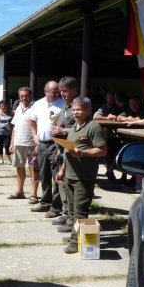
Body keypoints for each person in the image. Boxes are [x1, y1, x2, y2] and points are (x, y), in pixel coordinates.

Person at [56, 96, 106, 254]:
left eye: (79, 109)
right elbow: (68, 151)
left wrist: (82, 152)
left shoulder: (93, 127)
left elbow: (102, 150)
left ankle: (75, 243)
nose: (76, 112)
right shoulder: (74, 128)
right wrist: (62, 170)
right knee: (71, 210)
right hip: (70, 175)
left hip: (83, 177)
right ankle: (74, 236)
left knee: (80, 211)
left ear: (88, 110)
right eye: (74, 109)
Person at [29, 80, 64, 218]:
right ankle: (45, 202)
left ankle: (55, 206)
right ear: (45, 91)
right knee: (44, 174)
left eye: (58, 91)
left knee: (56, 174)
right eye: (53, 91)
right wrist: (34, 136)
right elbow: (31, 120)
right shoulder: (37, 104)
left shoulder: (62, 104)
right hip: (42, 144)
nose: (56, 94)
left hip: (56, 143)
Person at [50, 77, 79, 233]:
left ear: (75, 90)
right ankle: (66, 213)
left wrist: (63, 131)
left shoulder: (78, 106)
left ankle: (71, 218)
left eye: (65, 91)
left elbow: (82, 129)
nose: (62, 94)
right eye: (61, 91)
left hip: (73, 151)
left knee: (69, 186)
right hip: (62, 150)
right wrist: (59, 150)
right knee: (61, 184)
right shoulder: (65, 106)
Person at [9, 87, 38, 202]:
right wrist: (12, 143)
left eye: (26, 95)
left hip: (31, 143)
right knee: (19, 168)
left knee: (33, 169)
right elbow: (14, 127)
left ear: (30, 96)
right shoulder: (18, 108)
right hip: (18, 143)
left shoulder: (35, 108)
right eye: (22, 96)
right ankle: (20, 191)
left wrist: (37, 144)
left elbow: (39, 126)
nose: (24, 98)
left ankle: (34, 194)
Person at [93, 92, 121, 182]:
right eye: (110, 98)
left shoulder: (119, 107)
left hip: (119, 135)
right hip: (108, 135)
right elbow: (95, 117)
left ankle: (111, 171)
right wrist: (108, 118)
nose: (112, 100)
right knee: (108, 155)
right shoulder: (104, 107)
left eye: (113, 98)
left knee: (118, 154)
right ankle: (109, 172)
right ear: (106, 99)